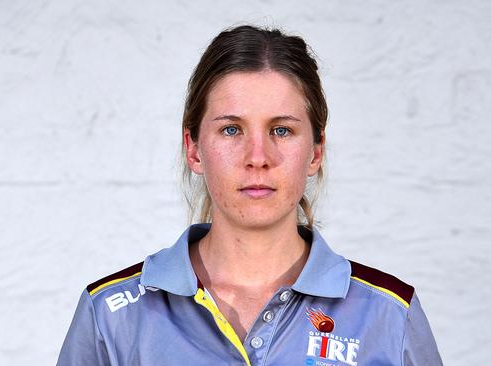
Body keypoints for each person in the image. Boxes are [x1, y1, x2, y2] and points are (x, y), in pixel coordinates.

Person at [57, 24, 442, 366]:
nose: (258, 158)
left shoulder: (389, 314)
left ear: (316, 151)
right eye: (230, 130)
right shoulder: (111, 315)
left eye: (281, 130)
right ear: (193, 149)